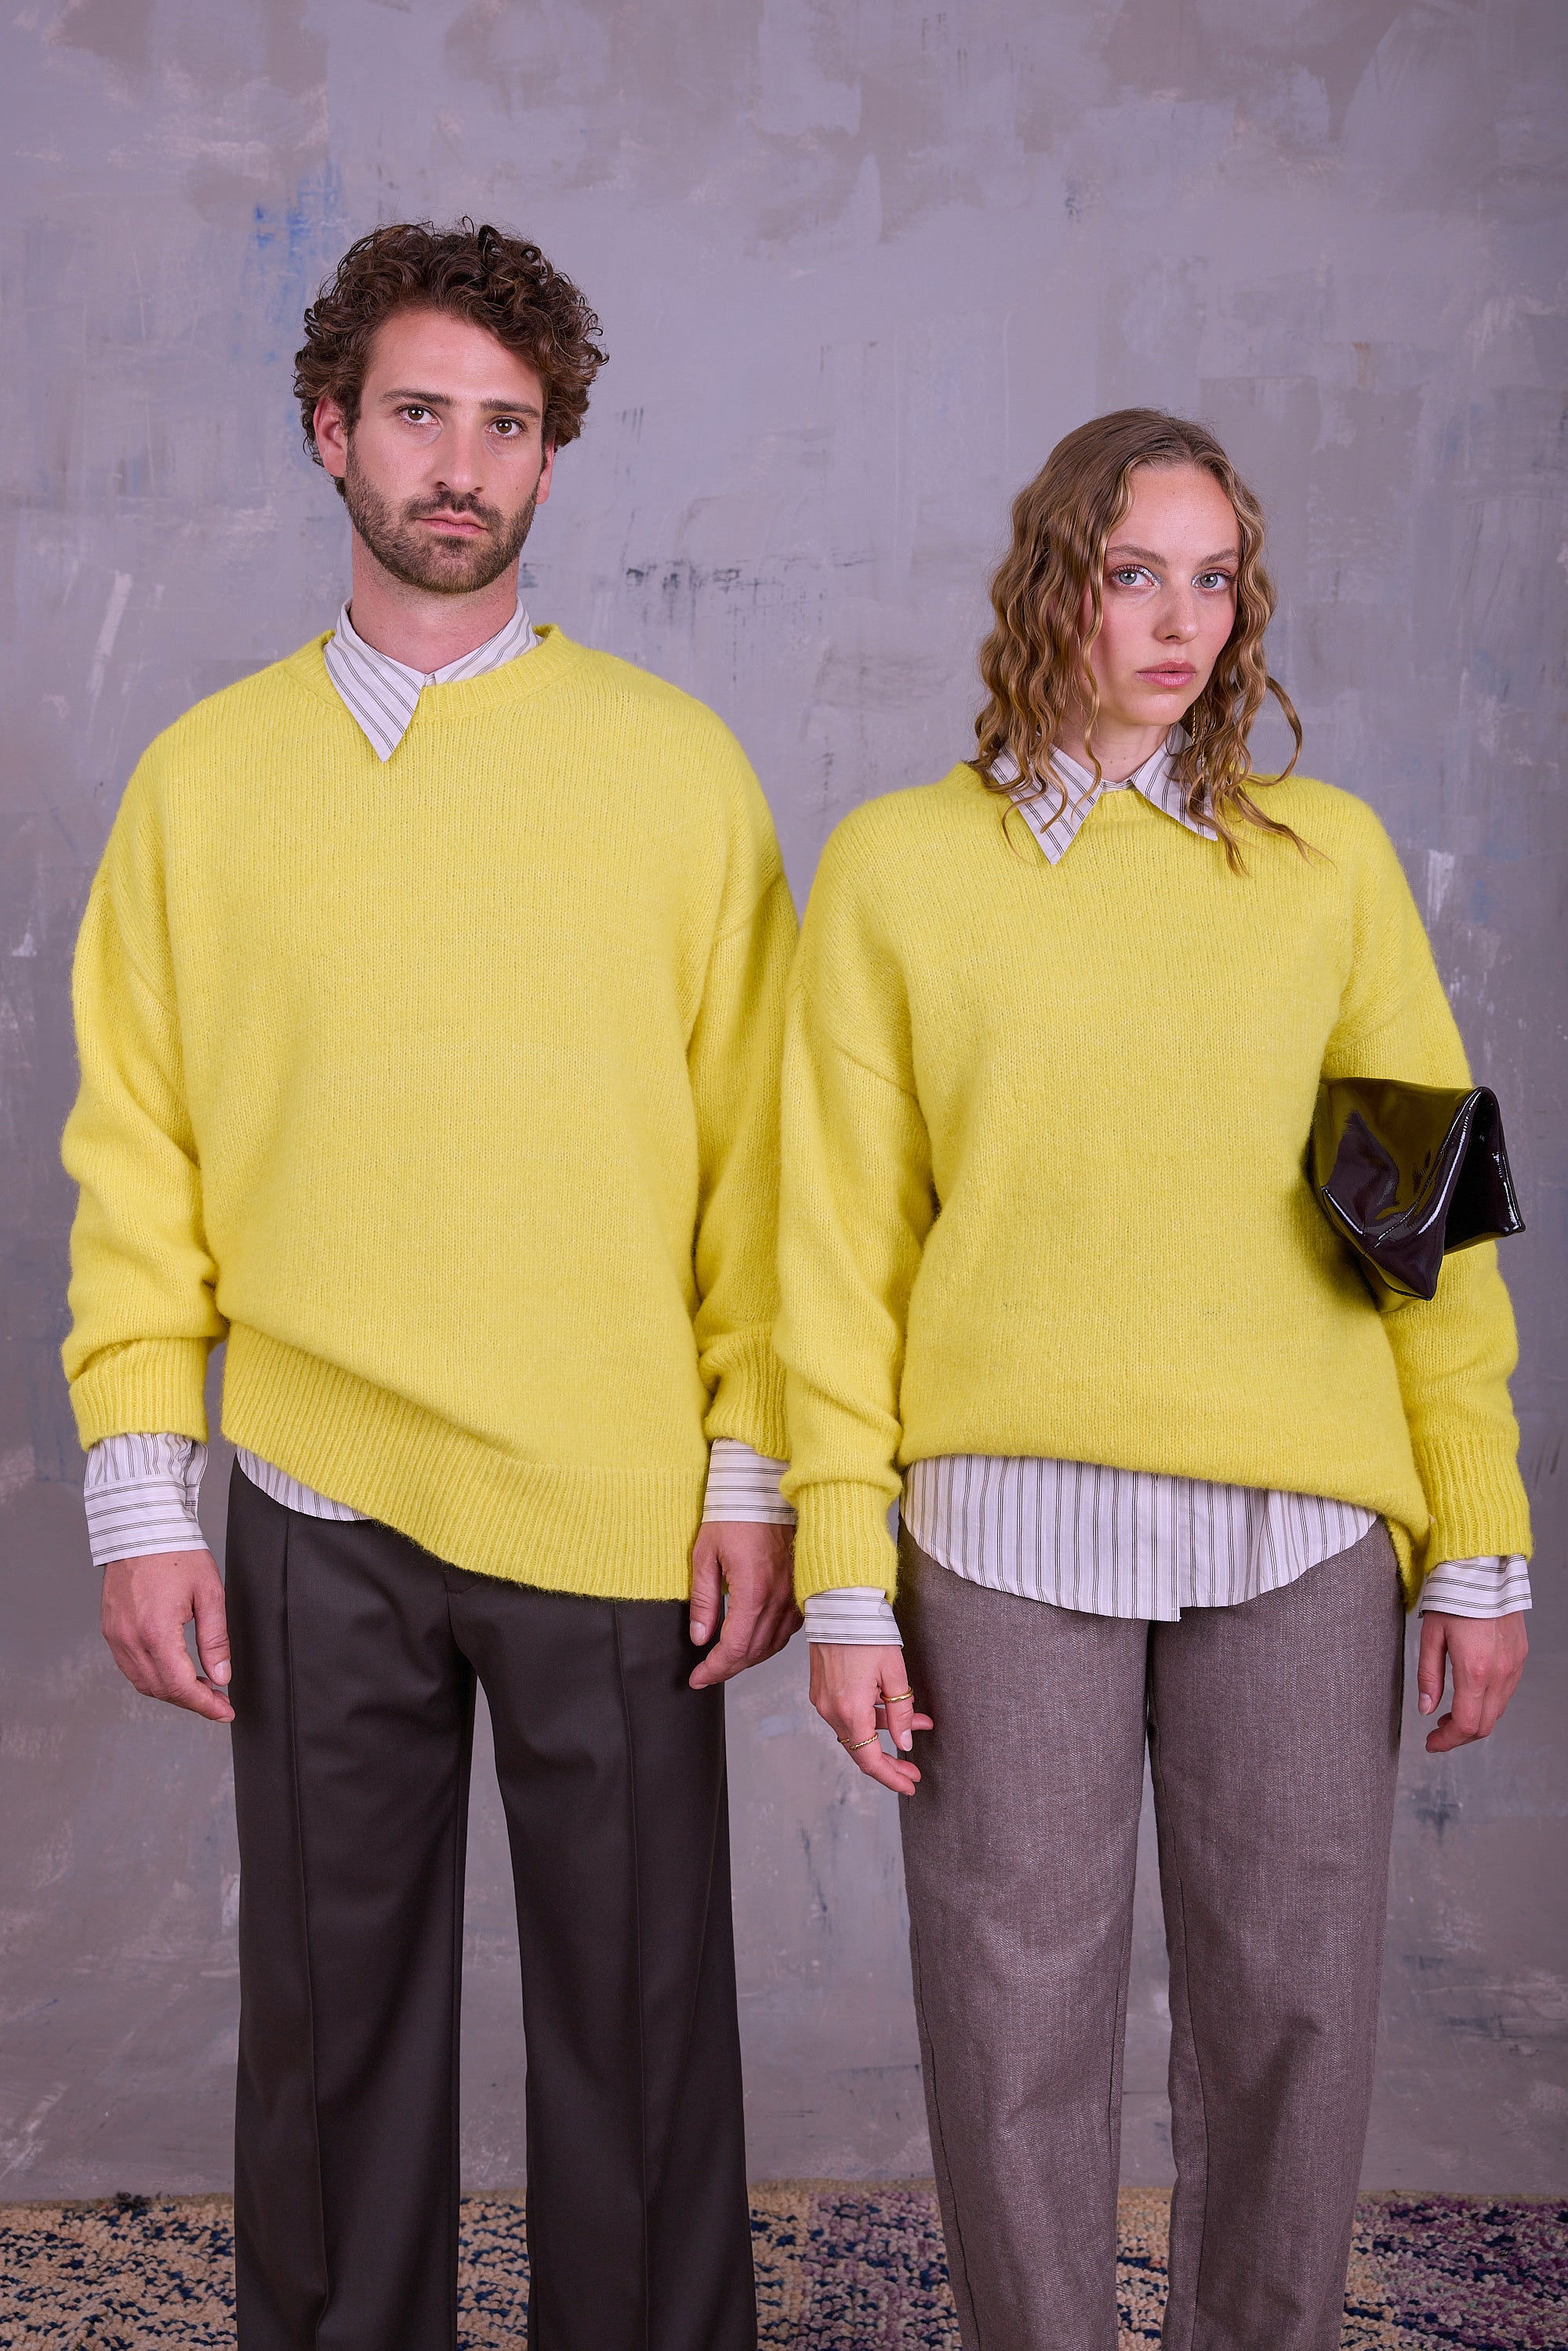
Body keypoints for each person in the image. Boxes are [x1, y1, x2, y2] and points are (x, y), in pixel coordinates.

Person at [61, 219, 799, 2351]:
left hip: (616, 1500)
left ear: (552, 457)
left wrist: (753, 1467)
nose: (460, 465)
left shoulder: (676, 773)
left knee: (644, 2062)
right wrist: (139, 1491)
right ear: (331, 431)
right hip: (315, 1492)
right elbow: (139, 1155)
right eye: (417, 415)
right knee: (326, 2062)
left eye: (506, 425)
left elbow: (768, 1173)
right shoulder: (203, 785)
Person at [776, 408, 1532, 2351]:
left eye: (1214, 579)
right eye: (1134, 576)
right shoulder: (897, 871)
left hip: (1301, 1532)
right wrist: (842, 1573)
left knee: (1292, 2016)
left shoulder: (1330, 867)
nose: (1180, 621)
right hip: (996, 1534)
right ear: (1054, 585)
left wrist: (1478, 1541)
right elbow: (834, 1253)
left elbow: (1427, 1228)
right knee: (1009, 2027)